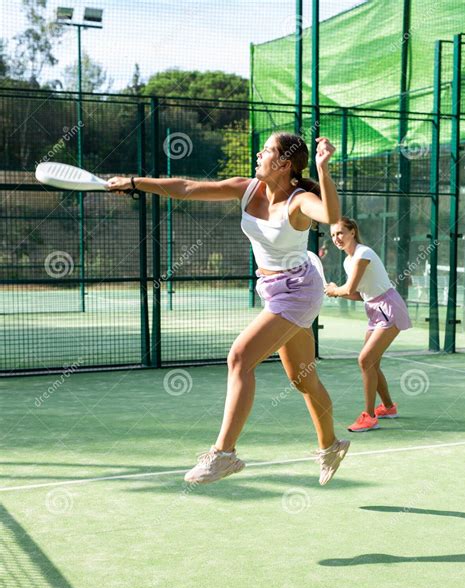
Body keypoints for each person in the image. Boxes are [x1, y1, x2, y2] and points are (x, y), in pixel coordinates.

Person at [107, 133, 350, 485]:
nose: (258, 154)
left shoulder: (299, 202)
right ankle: (331, 445)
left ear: (283, 163)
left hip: (298, 290)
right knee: (303, 378)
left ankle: (224, 454)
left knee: (239, 357)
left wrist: (323, 169)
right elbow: (187, 187)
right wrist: (134, 182)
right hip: (274, 287)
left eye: (266, 151)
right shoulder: (247, 188)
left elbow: (330, 214)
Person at [325, 217, 412, 432]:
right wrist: (338, 292)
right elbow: (358, 294)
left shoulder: (363, 254)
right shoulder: (348, 261)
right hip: (374, 310)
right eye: (333, 235)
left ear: (352, 232)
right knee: (371, 363)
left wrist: (335, 290)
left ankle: (369, 416)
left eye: (340, 233)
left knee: (365, 360)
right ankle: (389, 407)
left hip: (389, 307)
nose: (337, 238)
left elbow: (348, 288)